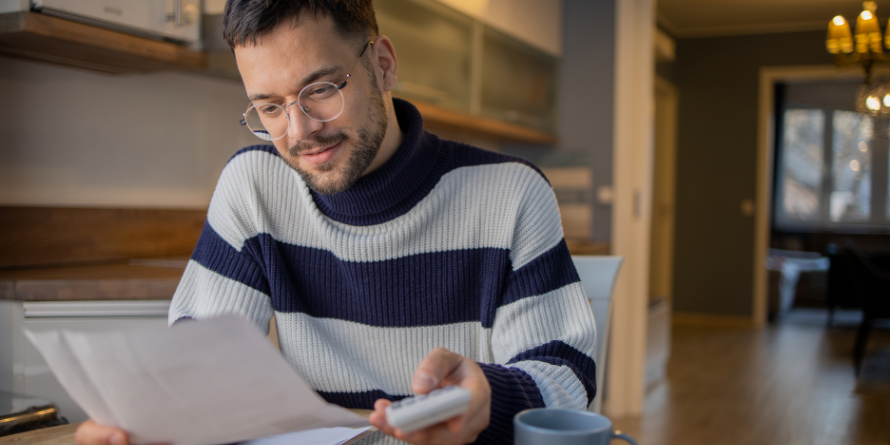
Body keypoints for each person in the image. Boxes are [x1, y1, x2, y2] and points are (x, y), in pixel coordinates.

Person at [75, 1, 597, 444]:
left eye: (321, 89)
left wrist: (491, 396)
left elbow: (565, 379)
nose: (301, 131)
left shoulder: (511, 193)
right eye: (270, 108)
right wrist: (152, 417)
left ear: (385, 65)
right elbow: (199, 365)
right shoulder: (254, 188)